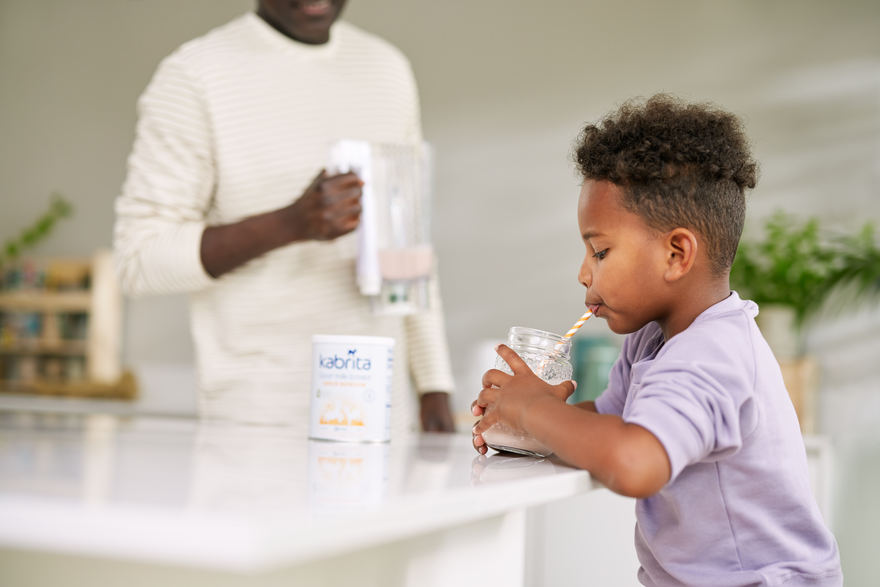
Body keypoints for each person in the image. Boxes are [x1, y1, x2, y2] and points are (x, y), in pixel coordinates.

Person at [472, 95, 842, 586]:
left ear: (676, 254)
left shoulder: (710, 354)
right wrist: (520, 421)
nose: (583, 272)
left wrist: (534, 413)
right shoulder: (653, 339)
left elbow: (632, 462)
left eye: (600, 251)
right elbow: (610, 426)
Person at [114, 0, 455, 434]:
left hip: (382, 411)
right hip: (257, 420)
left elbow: (409, 243)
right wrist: (291, 224)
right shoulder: (194, 76)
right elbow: (138, 261)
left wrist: (433, 387)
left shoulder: (387, 70)